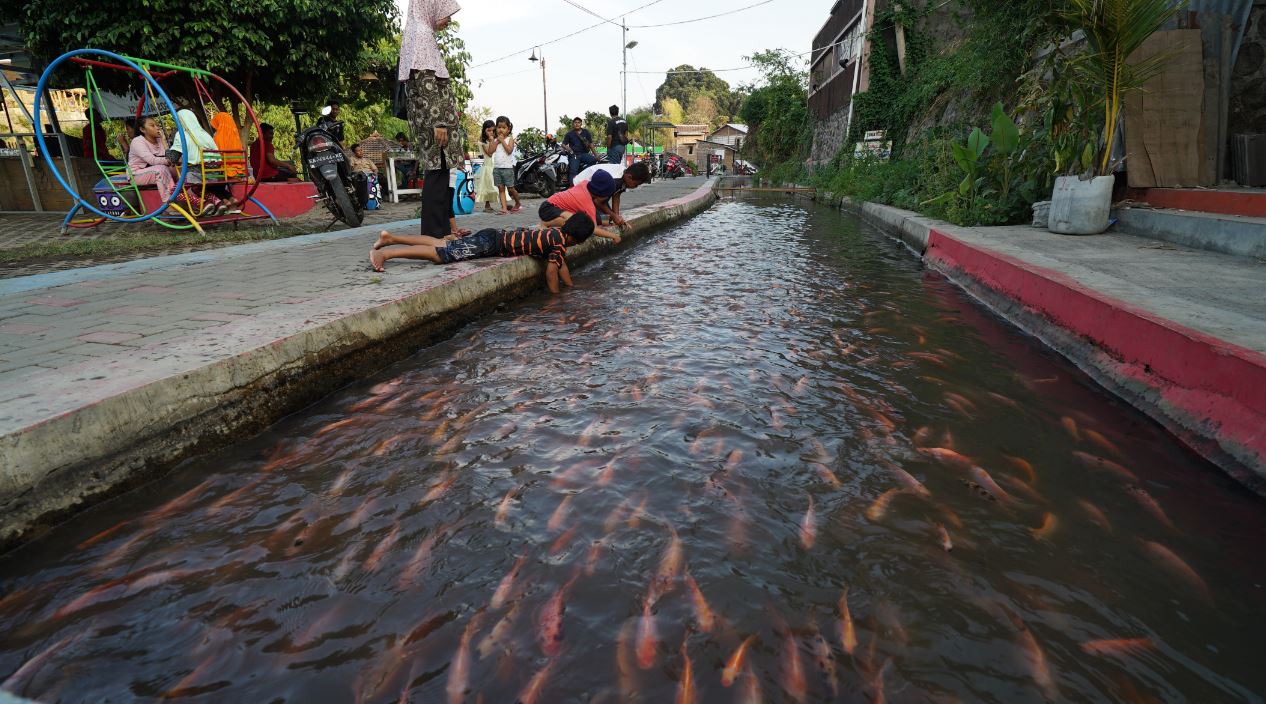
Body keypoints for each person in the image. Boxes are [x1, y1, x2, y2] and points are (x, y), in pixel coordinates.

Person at [370, 213, 598, 294]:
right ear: (576, 239)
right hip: (491, 244)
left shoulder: (556, 234)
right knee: (440, 254)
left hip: (494, 236)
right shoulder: (559, 243)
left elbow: (561, 265)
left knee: (442, 243)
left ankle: (390, 238)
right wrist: (556, 298)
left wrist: (571, 288)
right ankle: (388, 254)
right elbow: (551, 271)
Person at [399, 0, 466, 239]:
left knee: (438, 172)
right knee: (437, 174)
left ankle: (440, 230)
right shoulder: (422, 34)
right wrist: (438, 123)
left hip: (429, 119)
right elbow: (427, 82)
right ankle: (436, 233)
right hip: (435, 121)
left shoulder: (415, 32)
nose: (448, 20)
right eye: (446, 13)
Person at [170, 107, 239, 215]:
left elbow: (172, 158)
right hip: (215, 173)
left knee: (174, 192)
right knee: (197, 188)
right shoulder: (205, 134)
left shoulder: (182, 135)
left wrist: (165, 145)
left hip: (197, 173)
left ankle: (204, 203)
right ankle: (218, 203)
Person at [536, 169, 622, 245]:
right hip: (548, 209)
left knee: (603, 218)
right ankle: (546, 223)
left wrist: (611, 221)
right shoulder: (586, 202)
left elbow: (597, 214)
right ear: (601, 195)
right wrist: (614, 236)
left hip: (554, 207)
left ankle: (552, 222)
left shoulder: (586, 184)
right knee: (581, 224)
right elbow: (593, 229)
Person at [572, 161, 651, 230]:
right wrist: (613, 216)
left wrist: (617, 217)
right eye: (635, 184)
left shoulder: (624, 174)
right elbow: (598, 201)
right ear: (629, 177)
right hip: (580, 190)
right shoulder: (616, 180)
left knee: (608, 218)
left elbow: (616, 195)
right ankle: (576, 214)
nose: (635, 187)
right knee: (603, 219)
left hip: (597, 193)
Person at [127, 116, 180, 207]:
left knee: (178, 169)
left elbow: (169, 157)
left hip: (156, 169)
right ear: (142, 129)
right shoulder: (137, 141)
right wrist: (170, 160)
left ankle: (186, 197)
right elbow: (152, 160)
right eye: (152, 125)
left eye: (157, 125)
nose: (157, 127)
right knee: (160, 170)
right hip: (137, 174)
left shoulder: (159, 140)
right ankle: (169, 204)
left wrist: (163, 141)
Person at [492, 115, 521, 213]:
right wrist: (496, 142)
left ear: (508, 129)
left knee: (511, 188)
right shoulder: (496, 141)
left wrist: (502, 141)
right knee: (501, 188)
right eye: (499, 127)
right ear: (496, 128)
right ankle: (504, 208)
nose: (501, 130)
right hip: (497, 168)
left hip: (507, 168)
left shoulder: (510, 139)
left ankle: (517, 202)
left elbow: (509, 151)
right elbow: (490, 151)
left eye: (503, 128)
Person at [210, 111, 246, 178]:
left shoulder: (218, 137)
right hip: (239, 170)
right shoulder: (236, 137)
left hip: (224, 171)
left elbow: (215, 157)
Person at [474, 119, 499, 213]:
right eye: (488, 130)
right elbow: (489, 153)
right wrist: (492, 141)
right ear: (484, 130)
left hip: (496, 165)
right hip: (488, 166)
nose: (491, 132)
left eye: (493, 130)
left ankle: (503, 204)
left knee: (499, 186)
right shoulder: (482, 142)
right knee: (488, 186)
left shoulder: (497, 140)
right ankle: (487, 205)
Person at [562, 116, 595, 186]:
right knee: (573, 171)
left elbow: (591, 143)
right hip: (574, 155)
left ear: (581, 124)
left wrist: (596, 154)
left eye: (578, 122)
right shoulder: (569, 134)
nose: (577, 124)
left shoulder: (586, 132)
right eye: (575, 122)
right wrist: (567, 148)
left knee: (594, 160)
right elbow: (563, 144)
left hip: (584, 154)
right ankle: (572, 188)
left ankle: (583, 173)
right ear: (573, 124)